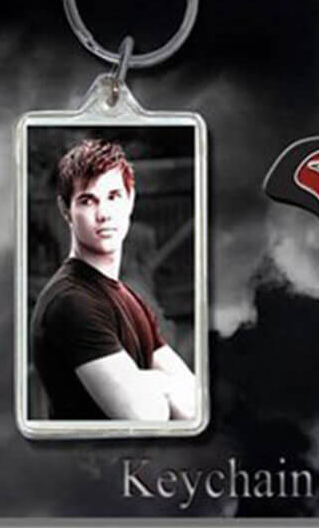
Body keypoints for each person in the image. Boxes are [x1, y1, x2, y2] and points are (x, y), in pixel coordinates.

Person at [31, 138, 197, 421]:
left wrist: (145, 385)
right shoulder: (72, 301)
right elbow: (145, 416)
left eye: (114, 196)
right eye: (87, 200)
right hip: (92, 452)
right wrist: (164, 385)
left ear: (130, 200)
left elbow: (195, 399)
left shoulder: (131, 300)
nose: (104, 214)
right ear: (65, 209)